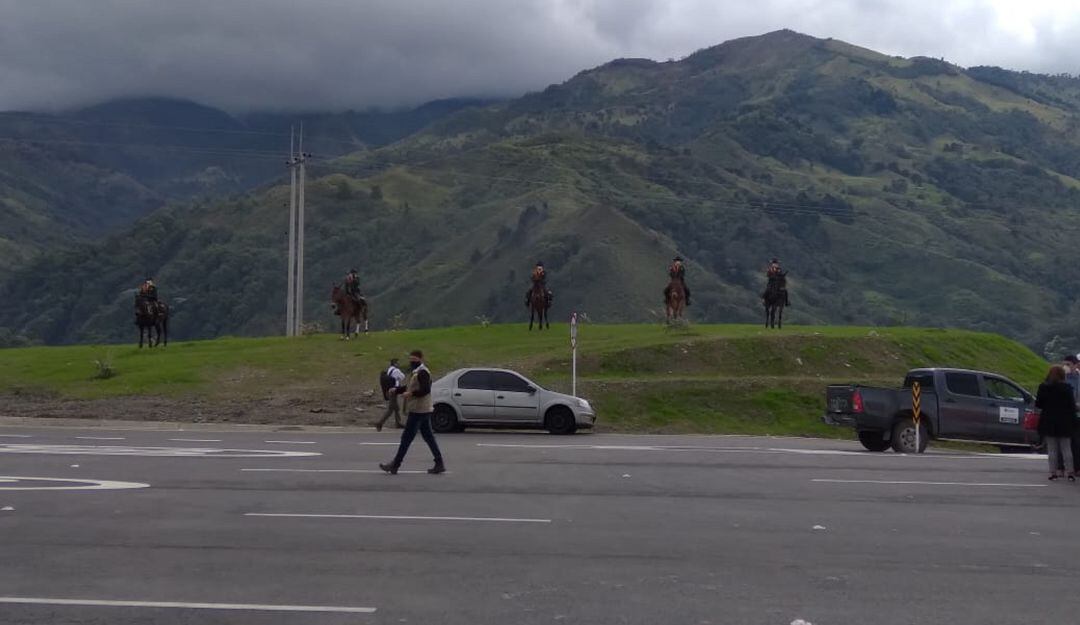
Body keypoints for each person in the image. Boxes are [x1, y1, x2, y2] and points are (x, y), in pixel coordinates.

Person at [380, 350, 445, 475]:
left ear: (420, 359)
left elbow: (425, 389)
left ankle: (395, 465)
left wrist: (411, 394)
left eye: (414, 360)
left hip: (418, 409)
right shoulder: (416, 373)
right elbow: (410, 387)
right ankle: (439, 463)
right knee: (429, 437)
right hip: (422, 409)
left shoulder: (423, 372)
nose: (412, 362)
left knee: (406, 438)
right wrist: (397, 390)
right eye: (411, 360)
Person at [1035, 364, 1076, 481]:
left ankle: (1053, 472)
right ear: (1062, 375)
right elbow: (1071, 406)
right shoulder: (1067, 388)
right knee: (1066, 448)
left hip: (1049, 421)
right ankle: (1070, 473)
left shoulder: (1043, 387)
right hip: (1065, 421)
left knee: (1052, 449)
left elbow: (1039, 404)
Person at [374, 358, 406, 432]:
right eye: (398, 363)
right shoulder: (396, 370)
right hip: (393, 390)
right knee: (391, 409)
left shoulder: (389, 370)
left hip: (388, 390)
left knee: (396, 408)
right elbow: (402, 377)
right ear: (395, 363)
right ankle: (380, 423)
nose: (399, 364)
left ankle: (398, 422)